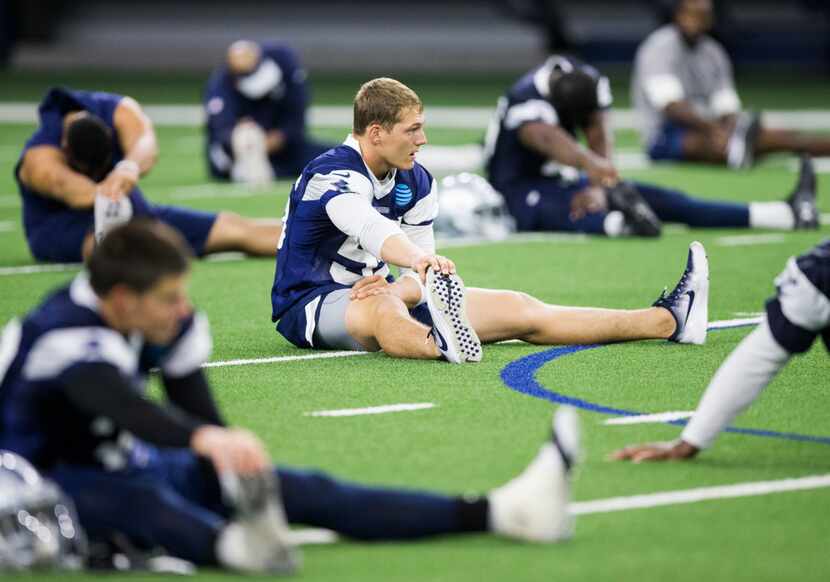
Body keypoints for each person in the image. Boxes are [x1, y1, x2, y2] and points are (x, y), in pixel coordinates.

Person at [0, 220, 581, 573]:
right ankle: (233, 549)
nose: (182, 310)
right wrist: (206, 440)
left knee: (301, 488)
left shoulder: (161, 321)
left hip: (125, 461)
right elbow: (118, 403)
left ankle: (500, 511)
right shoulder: (61, 332)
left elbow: (198, 412)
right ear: (122, 299)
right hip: (37, 485)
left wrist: (231, 463)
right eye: (168, 298)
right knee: (142, 507)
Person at [271, 77, 711, 366]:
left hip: (382, 293)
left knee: (521, 307)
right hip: (311, 303)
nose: (422, 140)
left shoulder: (416, 179)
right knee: (382, 309)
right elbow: (371, 228)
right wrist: (416, 269)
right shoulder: (332, 173)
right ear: (375, 133)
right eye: (412, 130)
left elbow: (417, 268)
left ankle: (668, 319)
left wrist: (409, 280)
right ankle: (439, 346)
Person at [483, 53, 820, 237]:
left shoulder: (585, 81)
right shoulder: (526, 98)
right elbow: (546, 138)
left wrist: (603, 183)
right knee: (564, 208)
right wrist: (593, 168)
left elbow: (598, 131)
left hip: (564, 179)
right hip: (516, 190)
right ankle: (622, 224)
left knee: (663, 198)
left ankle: (783, 214)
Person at [613, 239, 829, 462]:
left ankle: (672, 318)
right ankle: (673, 317)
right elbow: (764, 353)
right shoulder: (819, 273)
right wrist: (691, 440)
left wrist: (691, 440)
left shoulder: (818, 272)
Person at [14, 87, 282, 264]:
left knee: (235, 228)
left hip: (134, 213)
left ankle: (319, 238)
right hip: (64, 227)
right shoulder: (39, 158)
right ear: (65, 150)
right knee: (114, 251)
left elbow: (146, 144)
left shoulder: (118, 111)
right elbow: (72, 191)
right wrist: (106, 190)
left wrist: (128, 167)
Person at [632, 0, 830, 168]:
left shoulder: (714, 53)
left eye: (702, 16)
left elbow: (725, 105)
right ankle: (740, 149)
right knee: (725, 145)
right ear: (678, 15)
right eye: (690, 15)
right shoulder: (658, 48)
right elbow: (671, 107)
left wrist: (732, 127)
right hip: (665, 134)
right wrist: (716, 130)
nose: (694, 22)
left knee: (782, 137)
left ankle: (743, 148)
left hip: (713, 127)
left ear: (710, 19)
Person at [204, 40, 335, 184]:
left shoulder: (283, 62)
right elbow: (221, 132)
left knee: (335, 157)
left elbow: (296, 120)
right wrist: (248, 141)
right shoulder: (219, 89)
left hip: (286, 147)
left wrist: (278, 138)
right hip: (239, 154)